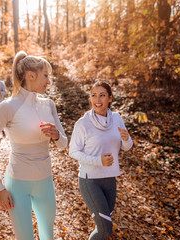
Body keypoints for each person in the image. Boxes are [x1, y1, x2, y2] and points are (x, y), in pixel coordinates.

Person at [0, 51, 68, 240]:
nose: (49, 82)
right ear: (31, 75)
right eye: (46, 76)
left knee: (48, 236)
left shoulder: (49, 105)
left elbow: (64, 144)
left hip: (45, 182)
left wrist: (56, 135)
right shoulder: (7, 107)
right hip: (17, 185)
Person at [69, 81, 133, 240]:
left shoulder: (117, 119)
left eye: (102, 95)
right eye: (94, 95)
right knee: (105, 229)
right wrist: (98, 160)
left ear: (110, 98)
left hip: (110, 179)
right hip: (90, 181)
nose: (97, 99)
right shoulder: (83, 123)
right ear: (90, 99)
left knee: (103, 228)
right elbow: (73, 151)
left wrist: (126, 139)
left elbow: (127, 147)